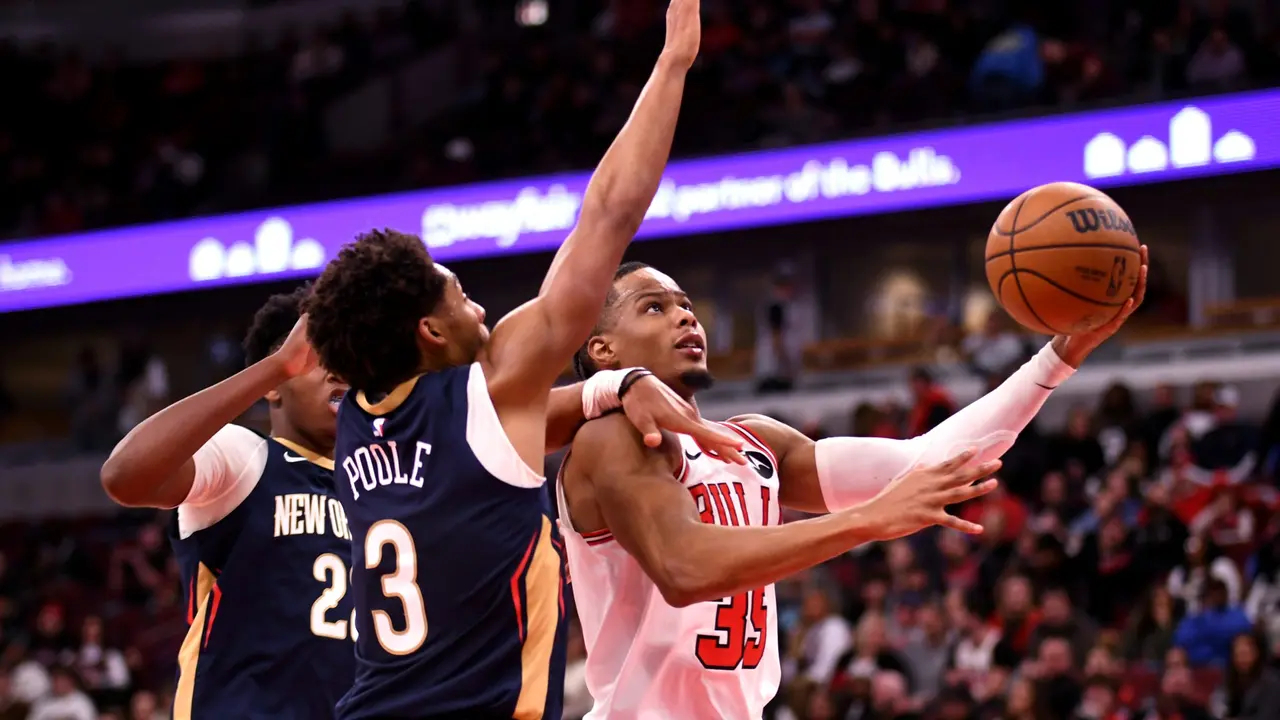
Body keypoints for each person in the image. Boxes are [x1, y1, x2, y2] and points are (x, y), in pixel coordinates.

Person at [302, 2, 715, 718]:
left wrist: (610, 387)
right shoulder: (491, 391)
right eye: (462, 297)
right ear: (430, 331)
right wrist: (673, 61)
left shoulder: (354, 421)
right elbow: (608, 216)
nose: (482, 311)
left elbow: (496, 443)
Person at [557, 250, 1148, 719]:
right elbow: (683, 568)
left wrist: (1058, 358)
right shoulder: (607, 437)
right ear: (602, 348)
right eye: (654, 308)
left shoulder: (753, 440)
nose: (686, 316)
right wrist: (865, 521)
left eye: (687, 305)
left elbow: (927, 461)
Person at [99, 288, 729, 719]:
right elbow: (126, 475)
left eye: (348, 356)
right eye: (321, 359)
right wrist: (275, 367)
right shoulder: (245, 460)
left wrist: (617, 383)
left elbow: (523, 412)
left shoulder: (393, 463)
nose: (339, 371)